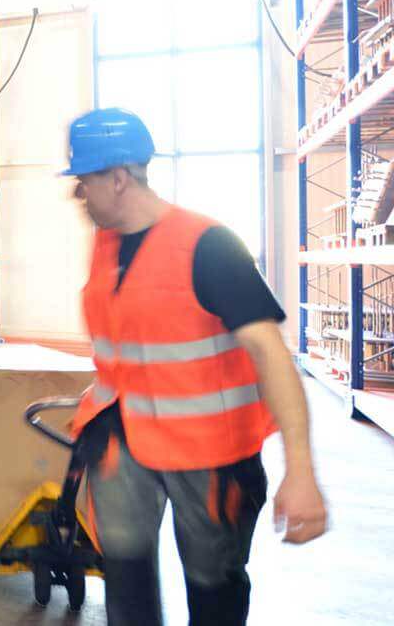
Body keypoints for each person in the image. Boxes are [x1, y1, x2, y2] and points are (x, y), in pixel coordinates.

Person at [61, 108, 328, 626]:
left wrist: (301, 470)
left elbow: (273, 357)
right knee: (126, 575)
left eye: (83, 181)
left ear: (117, 178)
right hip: (125, 440)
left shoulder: (208, 246)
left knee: (213, 583)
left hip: (210, 455)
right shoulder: (106, 246)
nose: (78, 196)